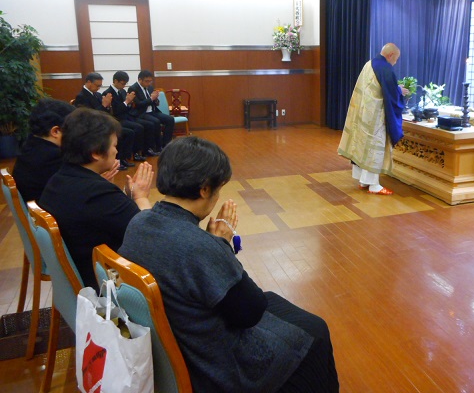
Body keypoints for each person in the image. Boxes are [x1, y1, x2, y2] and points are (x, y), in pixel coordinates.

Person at [119, 137, 339, 393]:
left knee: (278, 303)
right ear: (204, 189)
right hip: (216, 365)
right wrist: (221, 244)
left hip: (176, 338)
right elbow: (250, 313)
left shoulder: (138, 222)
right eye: (218, 188)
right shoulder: (200, 247)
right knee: (316, 331)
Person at [38, 108, 154, 290]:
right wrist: (141, 197)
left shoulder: (59, 179)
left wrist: (126, 198)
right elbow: (150, 235)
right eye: (114, 145)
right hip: (106, 286)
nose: (116, 151)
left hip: (79, 277)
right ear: (96, 152)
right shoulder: (97, 193)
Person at [337, 43, 408, 195]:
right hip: (376, 117)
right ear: (390, 56)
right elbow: (391, 96)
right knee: (374, 149)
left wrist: (395, 88)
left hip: (364, 113)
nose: (395, 62)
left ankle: (363, 181)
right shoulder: (385, 68)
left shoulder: (370, 63)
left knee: (363, 147)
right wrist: (399, 91)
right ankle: (374, 185)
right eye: (396, 59)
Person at [12, 98, 75, 202]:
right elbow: (75, 194)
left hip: (35, 209)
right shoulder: (53, 157)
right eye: (73, 129)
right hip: (49, 213)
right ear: (56, 131)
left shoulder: (30, 144)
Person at [75, 72, 136, 170]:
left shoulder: (98, 94)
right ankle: (117, 160)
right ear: (89, 82)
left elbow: (106, 111)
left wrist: (107, 106)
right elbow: (88, 115)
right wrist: (104, 105)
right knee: (124, 133)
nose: (99, 88)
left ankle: (123, 158)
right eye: (97, 85)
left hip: (103, 123)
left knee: (128, 132)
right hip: (92, 127)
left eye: (100, 86)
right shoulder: (81, 96)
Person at [103, 70, 160, 159]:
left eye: (125, 83)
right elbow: (116, 111)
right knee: (138, 128)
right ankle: (133, 154)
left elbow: (127, 108)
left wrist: (129, 103)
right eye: (122, 83)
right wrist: (127, 102)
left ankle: (144, 150)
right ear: (115, 81)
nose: (124, 86)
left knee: (146, 125)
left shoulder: (121, 91)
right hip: (117, 119)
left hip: (127, 116)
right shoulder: (108, 93)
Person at [128, 70, 174, 150]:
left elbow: (155, 102)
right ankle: (157, 146)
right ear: (140, 79)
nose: (148, 83)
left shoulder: (150, 87)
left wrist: (155, 99)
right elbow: (138, 104)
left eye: (150, 81)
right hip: (141, 113)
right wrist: (151, 98)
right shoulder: (133, 88)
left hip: (153, 111)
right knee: (156, 121)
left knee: (170, 119)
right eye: (146, 81)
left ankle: (166, 144)